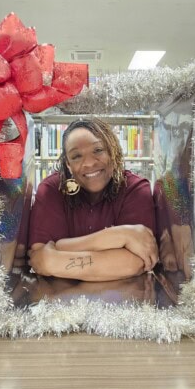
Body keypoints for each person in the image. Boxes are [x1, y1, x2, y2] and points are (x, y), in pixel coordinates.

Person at [28, 118, 159, 282]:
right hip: (59, 303)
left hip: (123, 303)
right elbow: (38, 254)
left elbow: (137, 262)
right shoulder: (51, 190)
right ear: (68, 165)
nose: (89, 163)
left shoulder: (135, 189)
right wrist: (120, 236)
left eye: (98, 150)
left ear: (113, 152)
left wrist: (53, 259)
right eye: (76, 156)